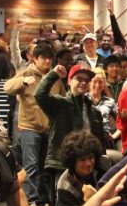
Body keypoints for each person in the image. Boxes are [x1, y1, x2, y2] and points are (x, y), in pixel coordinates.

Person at [35, 64, 108, 192]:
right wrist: (53, 75)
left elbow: (99, 140)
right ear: (69, 81)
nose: (84, 82)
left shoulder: (94, 111)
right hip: (64, 164)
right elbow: (39, 95)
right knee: (64, 204)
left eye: (87, 80)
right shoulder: (59, 104)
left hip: (88, 164)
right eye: (79, 78)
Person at [4, 43, 53, 206]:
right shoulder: (27, 73)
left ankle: (43, 202)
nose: (47, 61)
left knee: (45, 168)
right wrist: (22, 81)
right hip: (29, 128)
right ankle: (32, 202)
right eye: (43, 58)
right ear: (35, 59)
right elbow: (7, 87)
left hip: (48, 130)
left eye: (49, 57)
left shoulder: (55, 77)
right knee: (31, 167)